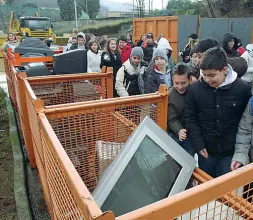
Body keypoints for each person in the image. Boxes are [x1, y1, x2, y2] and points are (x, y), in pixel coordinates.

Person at [185, 47, 251, 178]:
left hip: (230, 154)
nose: (208, 79)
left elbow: (246, 123)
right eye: (204, 74)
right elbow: (190, 118)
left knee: (225, 194)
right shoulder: (195, 90)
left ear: (224, 70)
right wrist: (199, 144)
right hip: (206, 152)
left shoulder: (242, 89)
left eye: (212, 75)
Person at [168, 63, 199, 157]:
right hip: (177, 132)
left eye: (183, 83)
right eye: (176, 83)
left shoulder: (195, 90)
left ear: (190, 80)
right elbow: (172, 119)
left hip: (193, 132)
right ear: (173, 80)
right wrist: (179, 130)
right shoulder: (171, 95)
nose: (180, 87)